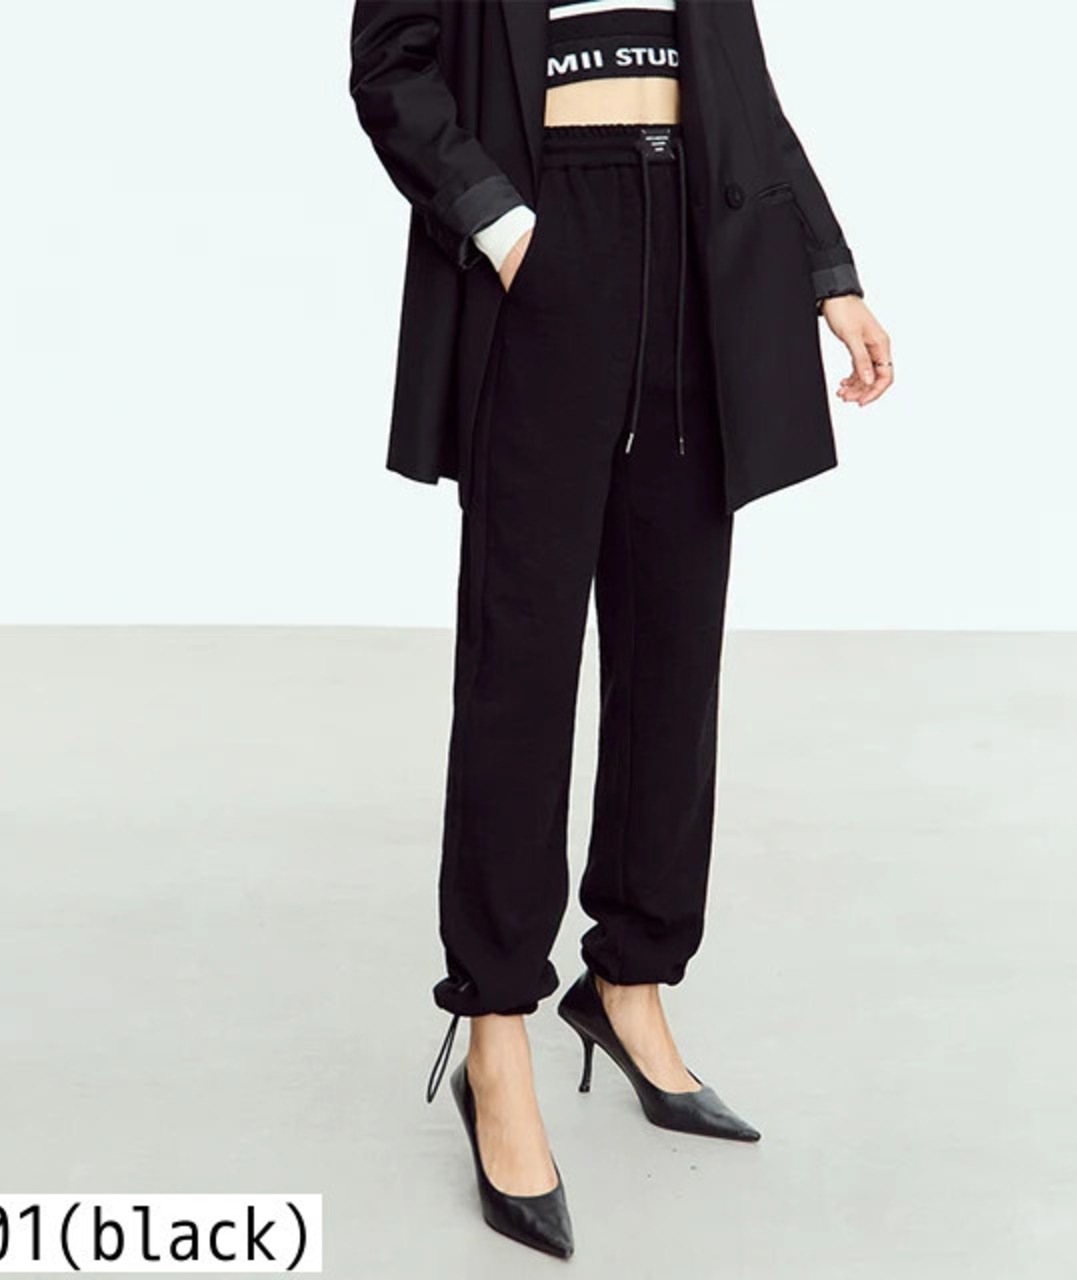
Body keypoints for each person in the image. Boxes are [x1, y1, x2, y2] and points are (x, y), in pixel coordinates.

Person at [349, 0, 893, 1259]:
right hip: (547, 240)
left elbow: (743, 96)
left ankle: (630, 978)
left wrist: (829, 270)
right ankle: (494, 1029)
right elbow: (391, 67)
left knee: (671, 657)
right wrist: (502, 223)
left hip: (698, 251)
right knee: (521, 664)